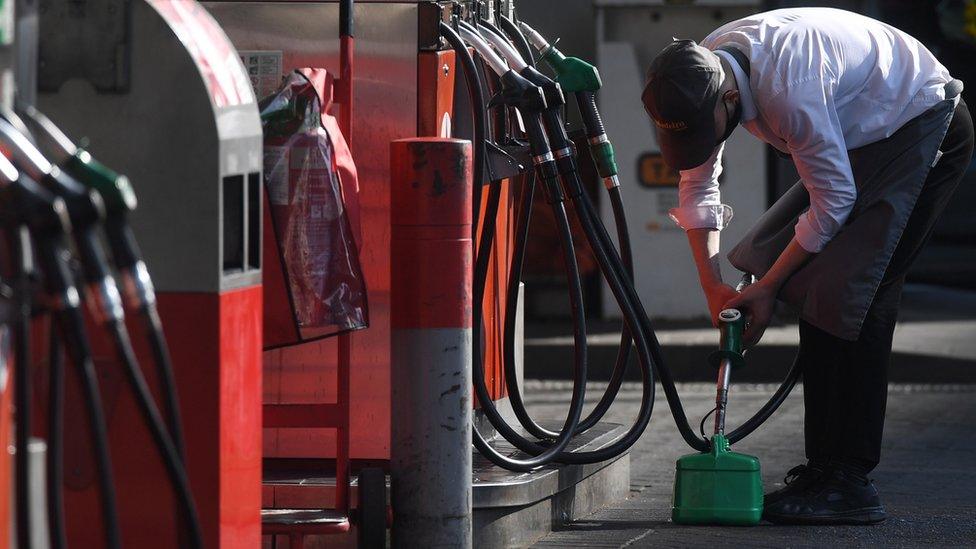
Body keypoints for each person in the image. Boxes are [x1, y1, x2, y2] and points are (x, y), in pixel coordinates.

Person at [641, 7, 973, 525]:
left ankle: (848, 482)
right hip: (862, 138)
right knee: (803, 273)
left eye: (706, 134)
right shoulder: (698, 71)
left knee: (853, 292)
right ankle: (823, 470)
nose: (700, 148)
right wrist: (712, 284)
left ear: (730, 99)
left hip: (923, 123)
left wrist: (767, 288)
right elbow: (697, 183)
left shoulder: (787, 88)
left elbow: (834, 202)